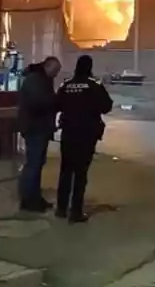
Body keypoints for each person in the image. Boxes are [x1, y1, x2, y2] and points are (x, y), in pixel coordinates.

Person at [54, 54, 113, 223]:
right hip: (87, 134)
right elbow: (106, 107)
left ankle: (61, 208)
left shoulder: (66, 85)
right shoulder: (94, 85)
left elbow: (56, 105)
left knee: (65, 171)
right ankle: (76, 212)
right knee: (81, 173)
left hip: (68, 133)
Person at [16, 55, 61, 212]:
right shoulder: (36, 80)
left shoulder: (41, 79)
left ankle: (35, 197)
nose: (56, 74)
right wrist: (55, 101)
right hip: (35, 128)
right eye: (55, 71)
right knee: (33, 165)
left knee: (37, 164)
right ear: (47, 66)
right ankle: (28, 200)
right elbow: (38, 103)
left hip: (38, 128)